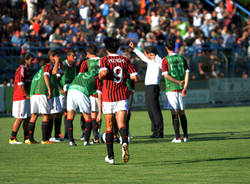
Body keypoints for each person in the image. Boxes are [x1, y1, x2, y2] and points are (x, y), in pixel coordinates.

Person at [99, 37, 139, 164]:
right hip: (122, 96)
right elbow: (135, 77)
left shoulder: (104, 59)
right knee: (122, 124)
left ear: (106, 49)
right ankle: (125, 143)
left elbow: (104, 73)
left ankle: (110, 157)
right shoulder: (124, 59)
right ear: (117, 48)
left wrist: (100, 75)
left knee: (109, 126)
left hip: (108, 96)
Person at [129, 40, 164, 138]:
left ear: (151, 54)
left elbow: (163, 66)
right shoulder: (149, 60)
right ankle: (155, 130)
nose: (145, 55)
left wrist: (155, 57)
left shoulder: (158, 60)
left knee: (155, 109)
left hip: (154, 86)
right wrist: (134, 49)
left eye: (146, 53)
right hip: (148, 86)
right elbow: (143, 56)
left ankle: (160, 131)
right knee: (150, 109)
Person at [27, 50, 60, 144]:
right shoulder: (48, 66)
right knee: (45, 114)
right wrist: (49, 89)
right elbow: (50, 74)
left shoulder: (38, 71)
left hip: (33, 94)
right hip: (41, 93)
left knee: (34, 115)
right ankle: (45, 139)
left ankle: (30, 139)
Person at [161, 39, 190, 143]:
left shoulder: (165, 60)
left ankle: (177, 137)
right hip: (181, 89)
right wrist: (185, 87)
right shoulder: (182, 58)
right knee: (182, 112)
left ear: (166, 48)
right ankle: (186, 136)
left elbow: (166, 76)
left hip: (171, 88)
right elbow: (187, 73)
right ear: (175, 47)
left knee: (174, 112)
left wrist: (177, 82)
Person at [65, 70, 102, 147]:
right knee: (87, 118)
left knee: (70, 117)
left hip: (71, 90)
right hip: (82, 92)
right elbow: (99, 97)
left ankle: (71, 141)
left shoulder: (82, 73)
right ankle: (86, 141)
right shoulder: (97, 79)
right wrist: (99, 113)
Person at [79, 45, 102, 143]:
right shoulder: (102, 60)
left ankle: (94, 136)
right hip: (103, 89)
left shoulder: (85, 62)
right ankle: (104, 134)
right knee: (102, 114)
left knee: (92, 113)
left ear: (87, 54)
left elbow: (81, 77)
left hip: (91, 90)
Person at [53, 50, 78, 142]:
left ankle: (67, 135)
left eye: (75, 56)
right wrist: (60, 90)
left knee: (69, 113)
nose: (75, 57)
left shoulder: (75, 66)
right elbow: (56, 79)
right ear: (68, 57)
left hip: (70, 93)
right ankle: (57, 135)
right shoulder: (63, 65)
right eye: (73, 56)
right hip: (61, 94)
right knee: (59, 113)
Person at [9, 53, 34, 144]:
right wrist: (26, 94)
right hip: (20, 98)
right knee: (19, 117)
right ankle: (12, 138)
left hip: (25, 97)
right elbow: (20, 84)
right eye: (31, 60)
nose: (33, 62)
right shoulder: (21, 69)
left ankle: (26, 138)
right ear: (26, 60)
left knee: (27, 117)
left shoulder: (27, 70)